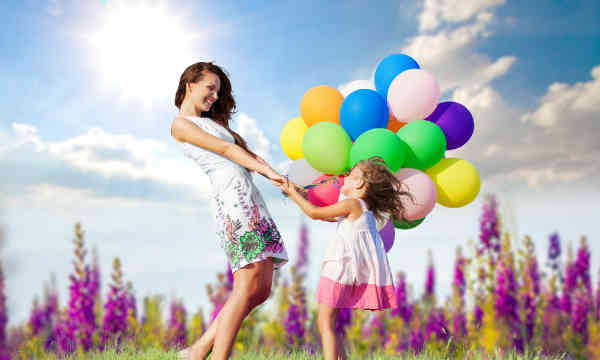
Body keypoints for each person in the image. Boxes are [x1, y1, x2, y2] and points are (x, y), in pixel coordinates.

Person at [170, 62, 288, 360]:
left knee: (260, 289)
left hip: (250, 197)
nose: (214, 95)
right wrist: (268, 173)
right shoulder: (181, 124)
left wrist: (279, 177)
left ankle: (197, 351)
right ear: (189, 84)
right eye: (210, 87)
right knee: (247, 282)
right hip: (232, 200)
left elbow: (247, 153)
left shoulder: (217, 125)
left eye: (217, 91)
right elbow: (226, 151)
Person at [279, 157, 409, 360]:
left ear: (359, 183)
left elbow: (314, 214)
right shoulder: (362, 209)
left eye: (350, 175)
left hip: (338, 270)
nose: (344, 178)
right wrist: (303, 196)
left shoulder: (352, 203)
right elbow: (329, 215)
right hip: (347, 272)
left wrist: (293, 194)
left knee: (325, 325)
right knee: (331, 324)